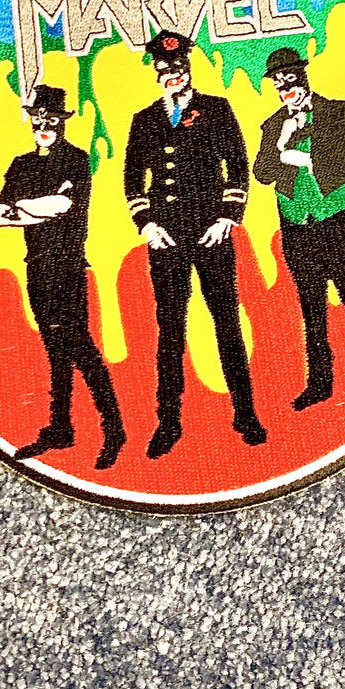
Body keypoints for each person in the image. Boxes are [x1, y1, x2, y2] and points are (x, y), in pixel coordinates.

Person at [123, 31, 267, 459]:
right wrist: (147, 224)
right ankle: (168, 423)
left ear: (188, 69)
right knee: (170, 330)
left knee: (227, 323)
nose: (173, 75)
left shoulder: (217, 109)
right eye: (164, 69)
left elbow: (237, 165)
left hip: (210, 232)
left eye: (178, 67)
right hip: (166, 238)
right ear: (156, 74)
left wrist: (228, 217)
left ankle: (246, 414)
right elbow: (132, 178)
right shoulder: (144, 120)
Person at [253, 47, 345, 419]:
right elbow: (262, 173)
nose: (286, 88)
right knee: (312, 316)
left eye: (291, 79)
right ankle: (320, 383)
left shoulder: (339, 112)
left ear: (304, 76)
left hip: (342, 224)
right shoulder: (272, 126)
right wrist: (281, 145)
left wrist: (310, 160)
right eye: (278, 83)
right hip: (299, 231)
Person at [0, 85, 124, 471]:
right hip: (36, 265)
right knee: (54, 348)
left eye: (51, 120)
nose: (43, 128)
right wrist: (31, 207)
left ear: (62, 123)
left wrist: (22, 207)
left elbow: (63, 206)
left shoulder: (76, 160)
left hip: (68, 265)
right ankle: (61, 427)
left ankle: (114, 428)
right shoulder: (21, 165)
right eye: (38, 121)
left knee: (79, 345)